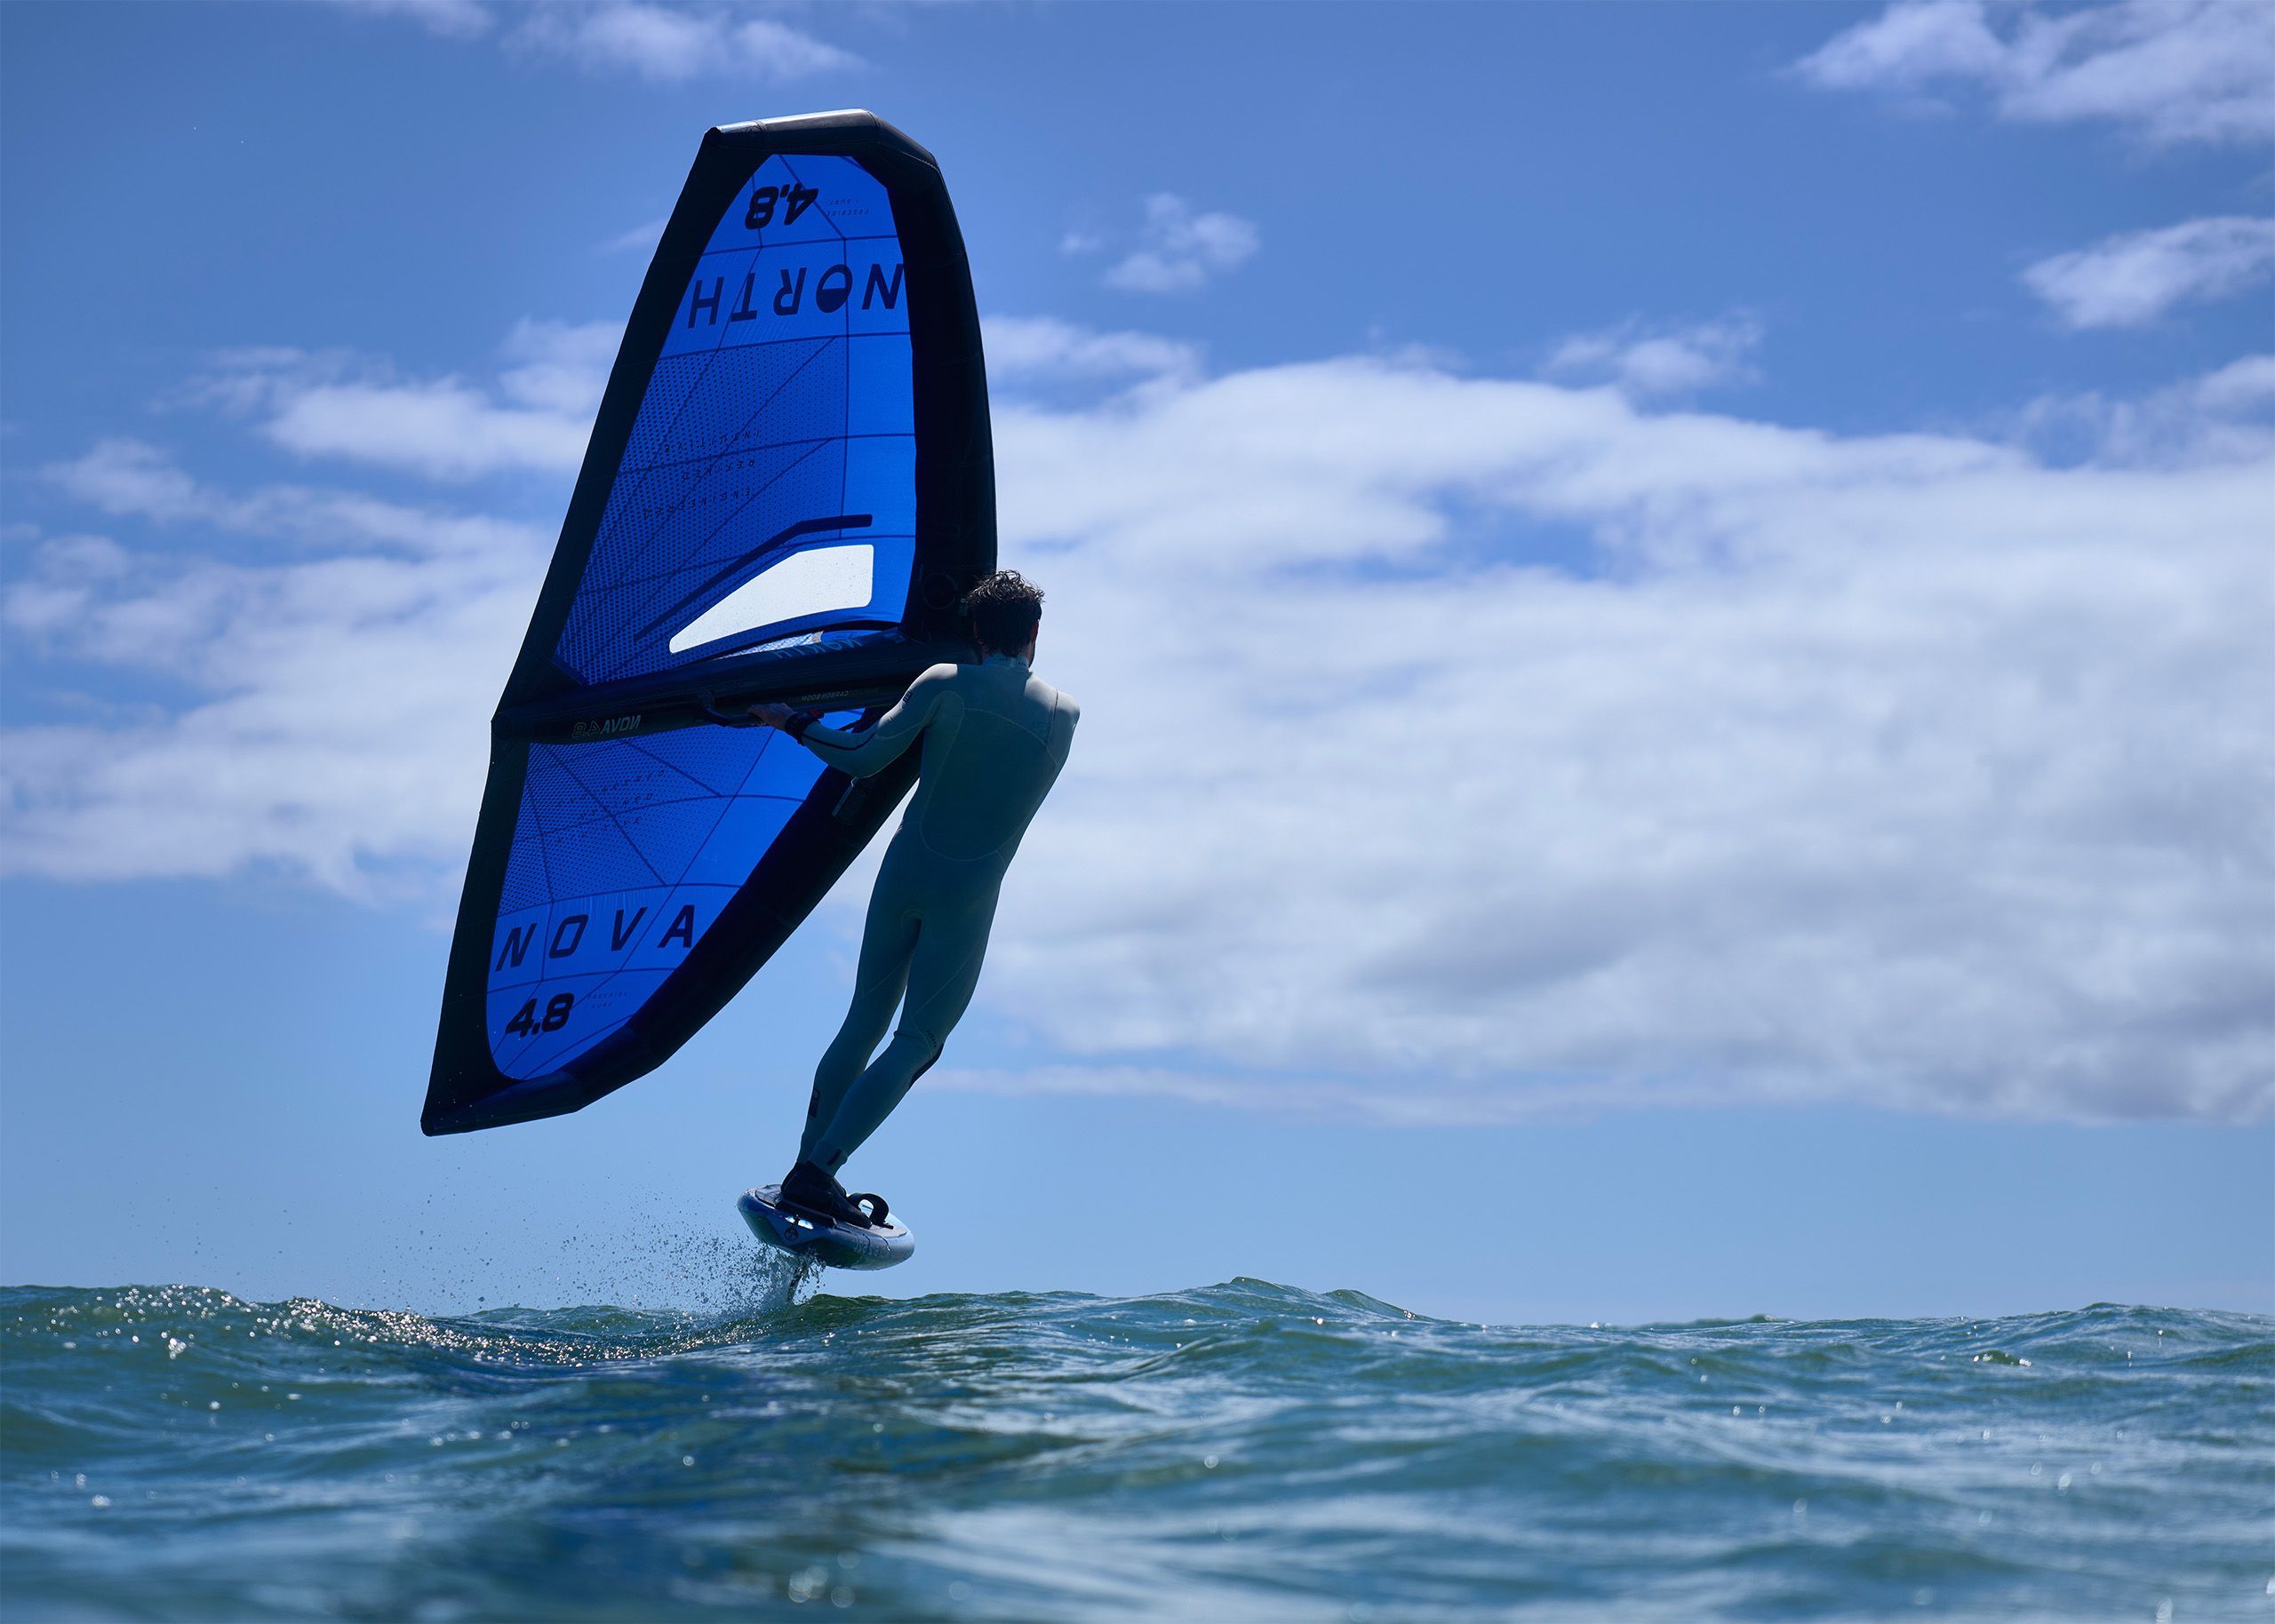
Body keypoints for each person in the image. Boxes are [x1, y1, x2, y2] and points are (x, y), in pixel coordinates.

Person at [746, 570, 1078, 1227]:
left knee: (861, 1025)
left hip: (903, 875)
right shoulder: (1064, 714)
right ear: (1035, 633)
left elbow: (865, 757)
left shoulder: (943, 682)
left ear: (975, 633)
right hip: (970, 898)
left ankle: (804, 1173)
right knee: (919, 1039)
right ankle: (819, 1173)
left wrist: (792, 720)